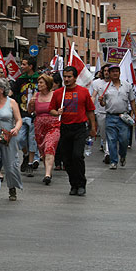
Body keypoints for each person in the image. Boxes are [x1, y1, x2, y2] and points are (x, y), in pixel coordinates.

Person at [49, 66, 96, 196]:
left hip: (79, 128)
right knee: (67, 159)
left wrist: (93, 128)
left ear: (75, 78)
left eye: (69, 77)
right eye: (65, 76)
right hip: (64, 128)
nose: (66, 79)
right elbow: (51, 109)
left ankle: (81, 183)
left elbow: (90, 110)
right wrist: (56, 112)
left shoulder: (83, 92)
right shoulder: (58, 93)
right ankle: (73, 184)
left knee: (77, 156)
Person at [98, 65, 136, 169]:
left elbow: (132, 101)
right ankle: (113, 161)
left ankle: (123, 155)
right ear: (109, 74)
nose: (115, 73)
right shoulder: (105, 87)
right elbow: (103, 104)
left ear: (120, 73)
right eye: (113, 72)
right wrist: (101, 101)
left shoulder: (127, 86)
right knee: (111, 140)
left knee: (124, 140)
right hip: (110, 117)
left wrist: (135, 115)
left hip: (123, 117)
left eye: (117, 71)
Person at [29, 74, 61, 185]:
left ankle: (47, 175)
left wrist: (59, 112)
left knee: (49, 147)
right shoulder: (36, 95)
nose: (39, 85)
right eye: (39, 83)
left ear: (47, 84)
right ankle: (48, 169)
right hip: (39, 126)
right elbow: (30, 111)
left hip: (53, 125)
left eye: (41, 82)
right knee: (43, 149)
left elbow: (59, 109)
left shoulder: (55, 95)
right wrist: (31, 103)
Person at [11, 56, 40, 176]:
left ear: (30, 66)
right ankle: (26, 153)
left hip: (35, 115)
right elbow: (14, 93)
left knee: (32, 138)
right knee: (20, 139)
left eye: (24, 64)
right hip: (22, 113)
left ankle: (30, 162)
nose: (21, 67)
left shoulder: (39, 78)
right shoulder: (20, 80)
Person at [91, 64, 111, 164]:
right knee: (103, 134)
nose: (106, 72)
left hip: (112, 112)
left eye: (108, 70)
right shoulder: (96, 83)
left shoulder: (115, 83)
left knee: (111, 133)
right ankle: (106, 149)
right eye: (105, 70)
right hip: (101, 112)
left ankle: (108, 153)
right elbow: (93, 95)